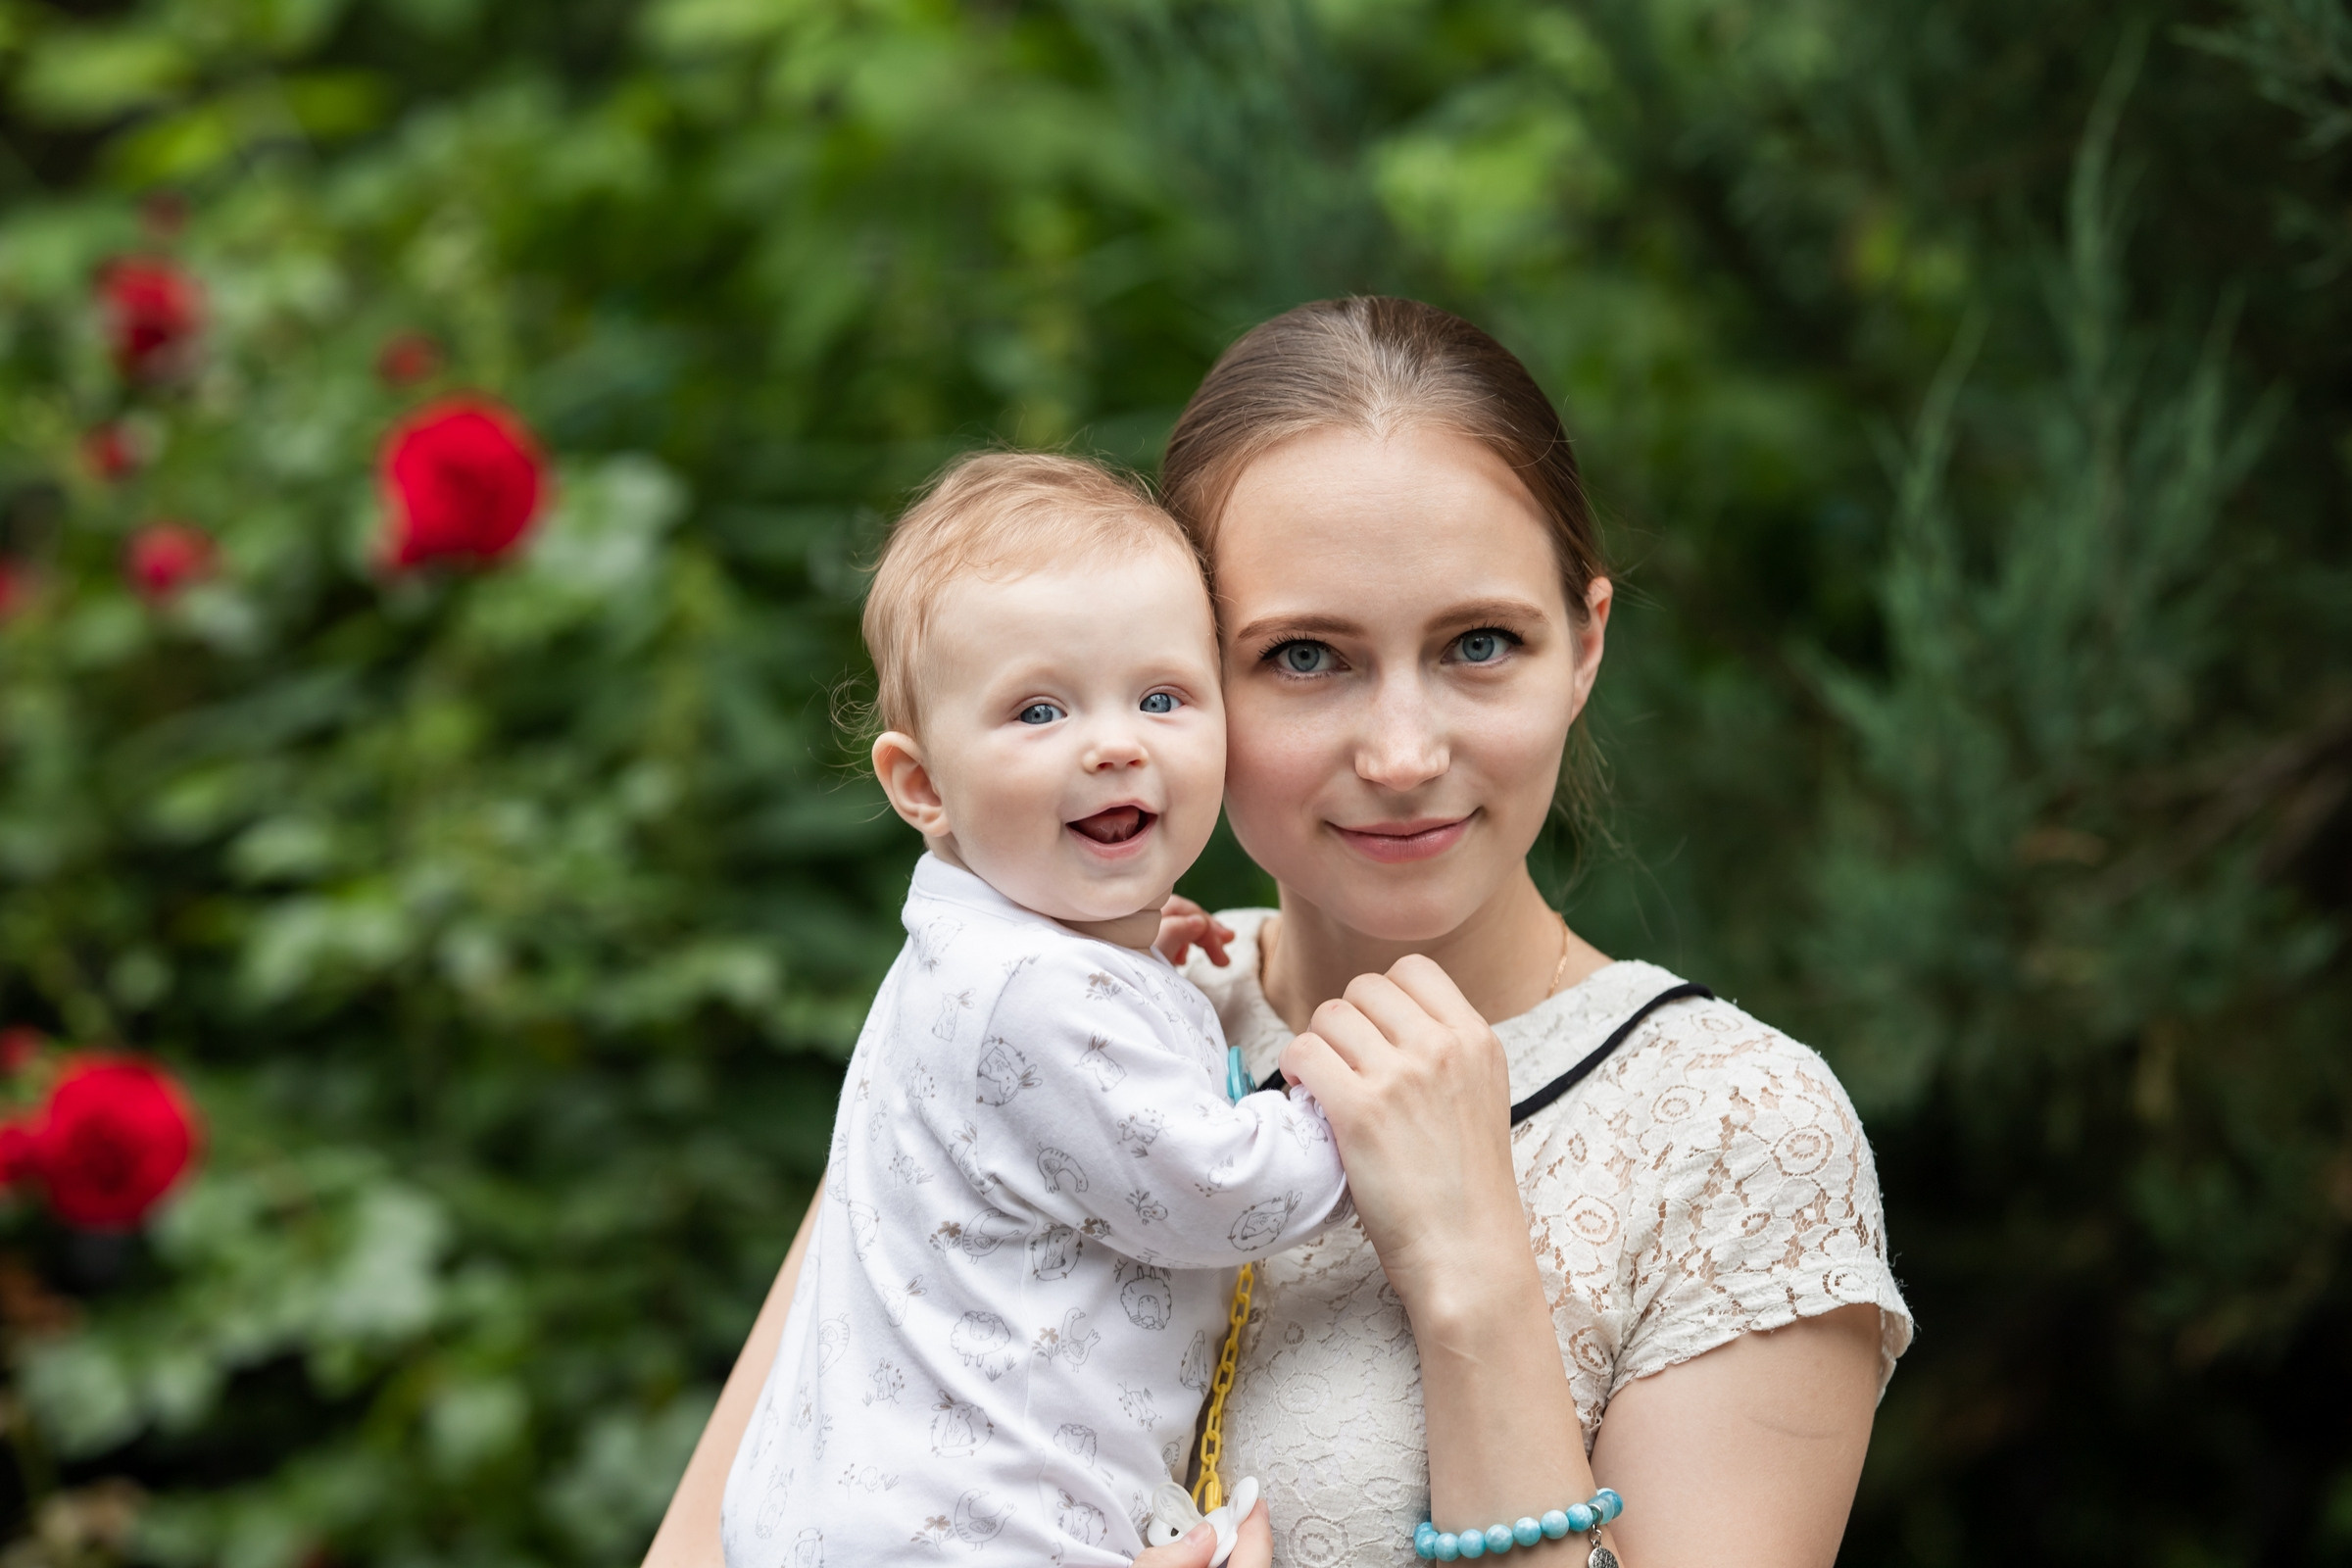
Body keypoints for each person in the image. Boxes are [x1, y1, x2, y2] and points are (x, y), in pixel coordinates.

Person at [648, 297, 1910, 1568]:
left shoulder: (1740, 1139)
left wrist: (1472, 1275)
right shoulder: (1031, 1013)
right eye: (1305, 657)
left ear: (1583, 646)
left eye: (1481, 643)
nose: (1404, 754)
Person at [717, 453, 1347, 1567]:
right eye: (1039, 709)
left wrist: (1135, 952)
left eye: (1162, 696)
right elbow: (1218, 1186)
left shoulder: (982, 958)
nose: (1114, 742)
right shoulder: (1035, 998)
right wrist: (1341, 1101)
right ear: (921, 786)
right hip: (971, 1534)